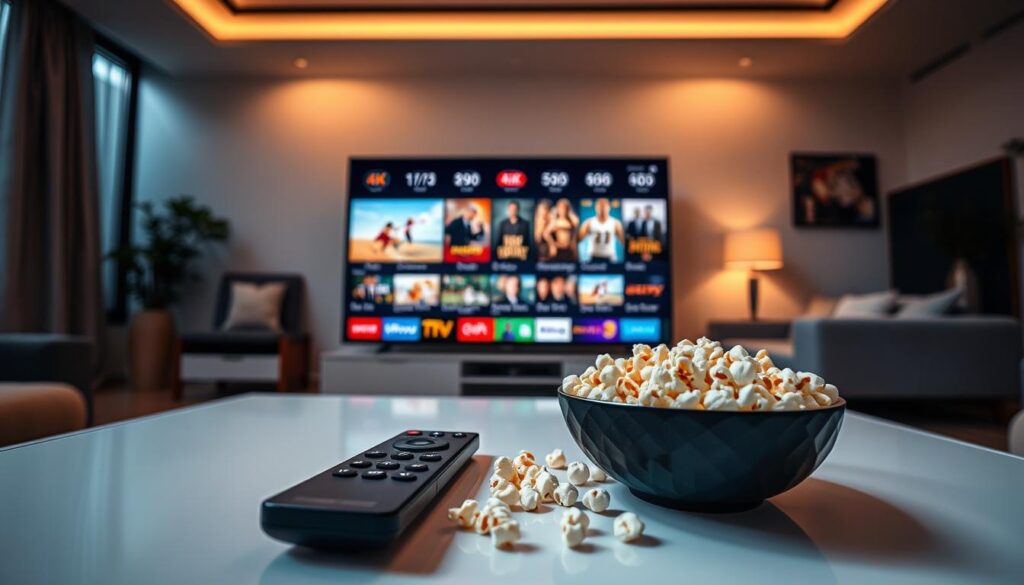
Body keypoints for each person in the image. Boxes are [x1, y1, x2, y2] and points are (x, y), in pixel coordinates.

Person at [578, 198, 624, 263]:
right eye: (600, 206)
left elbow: (624, 241)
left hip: (610, 257)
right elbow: (577, 240)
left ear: (609, 207)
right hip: (593, 256)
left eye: (604, 206)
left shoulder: (616, 223)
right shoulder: (588, 223)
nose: (602, 209)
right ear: (596, 208)